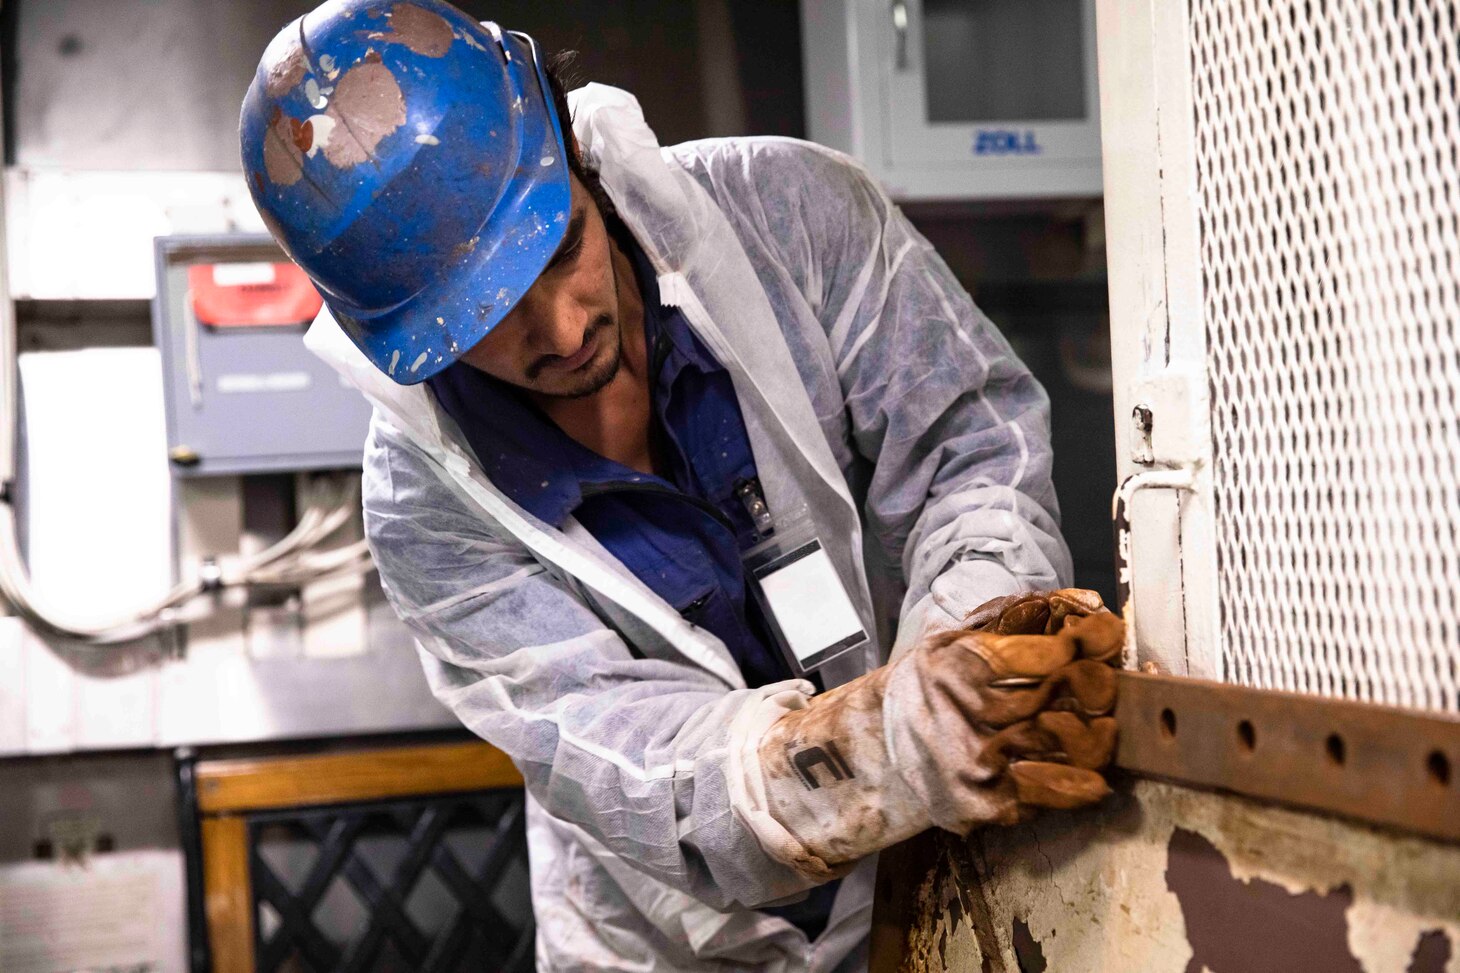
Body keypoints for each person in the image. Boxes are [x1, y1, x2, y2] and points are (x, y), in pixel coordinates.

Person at [241, 2, 1123, 969]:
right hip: (665, 939)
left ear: (570, 145)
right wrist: (888, 744)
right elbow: (634, 757)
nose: (566, 330)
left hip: (951, 870)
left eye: (561, 246)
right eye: (485, 319)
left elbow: (971, 449)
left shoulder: (793, 215)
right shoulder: (424, 508)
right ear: (403, 340)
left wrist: (971, 656)